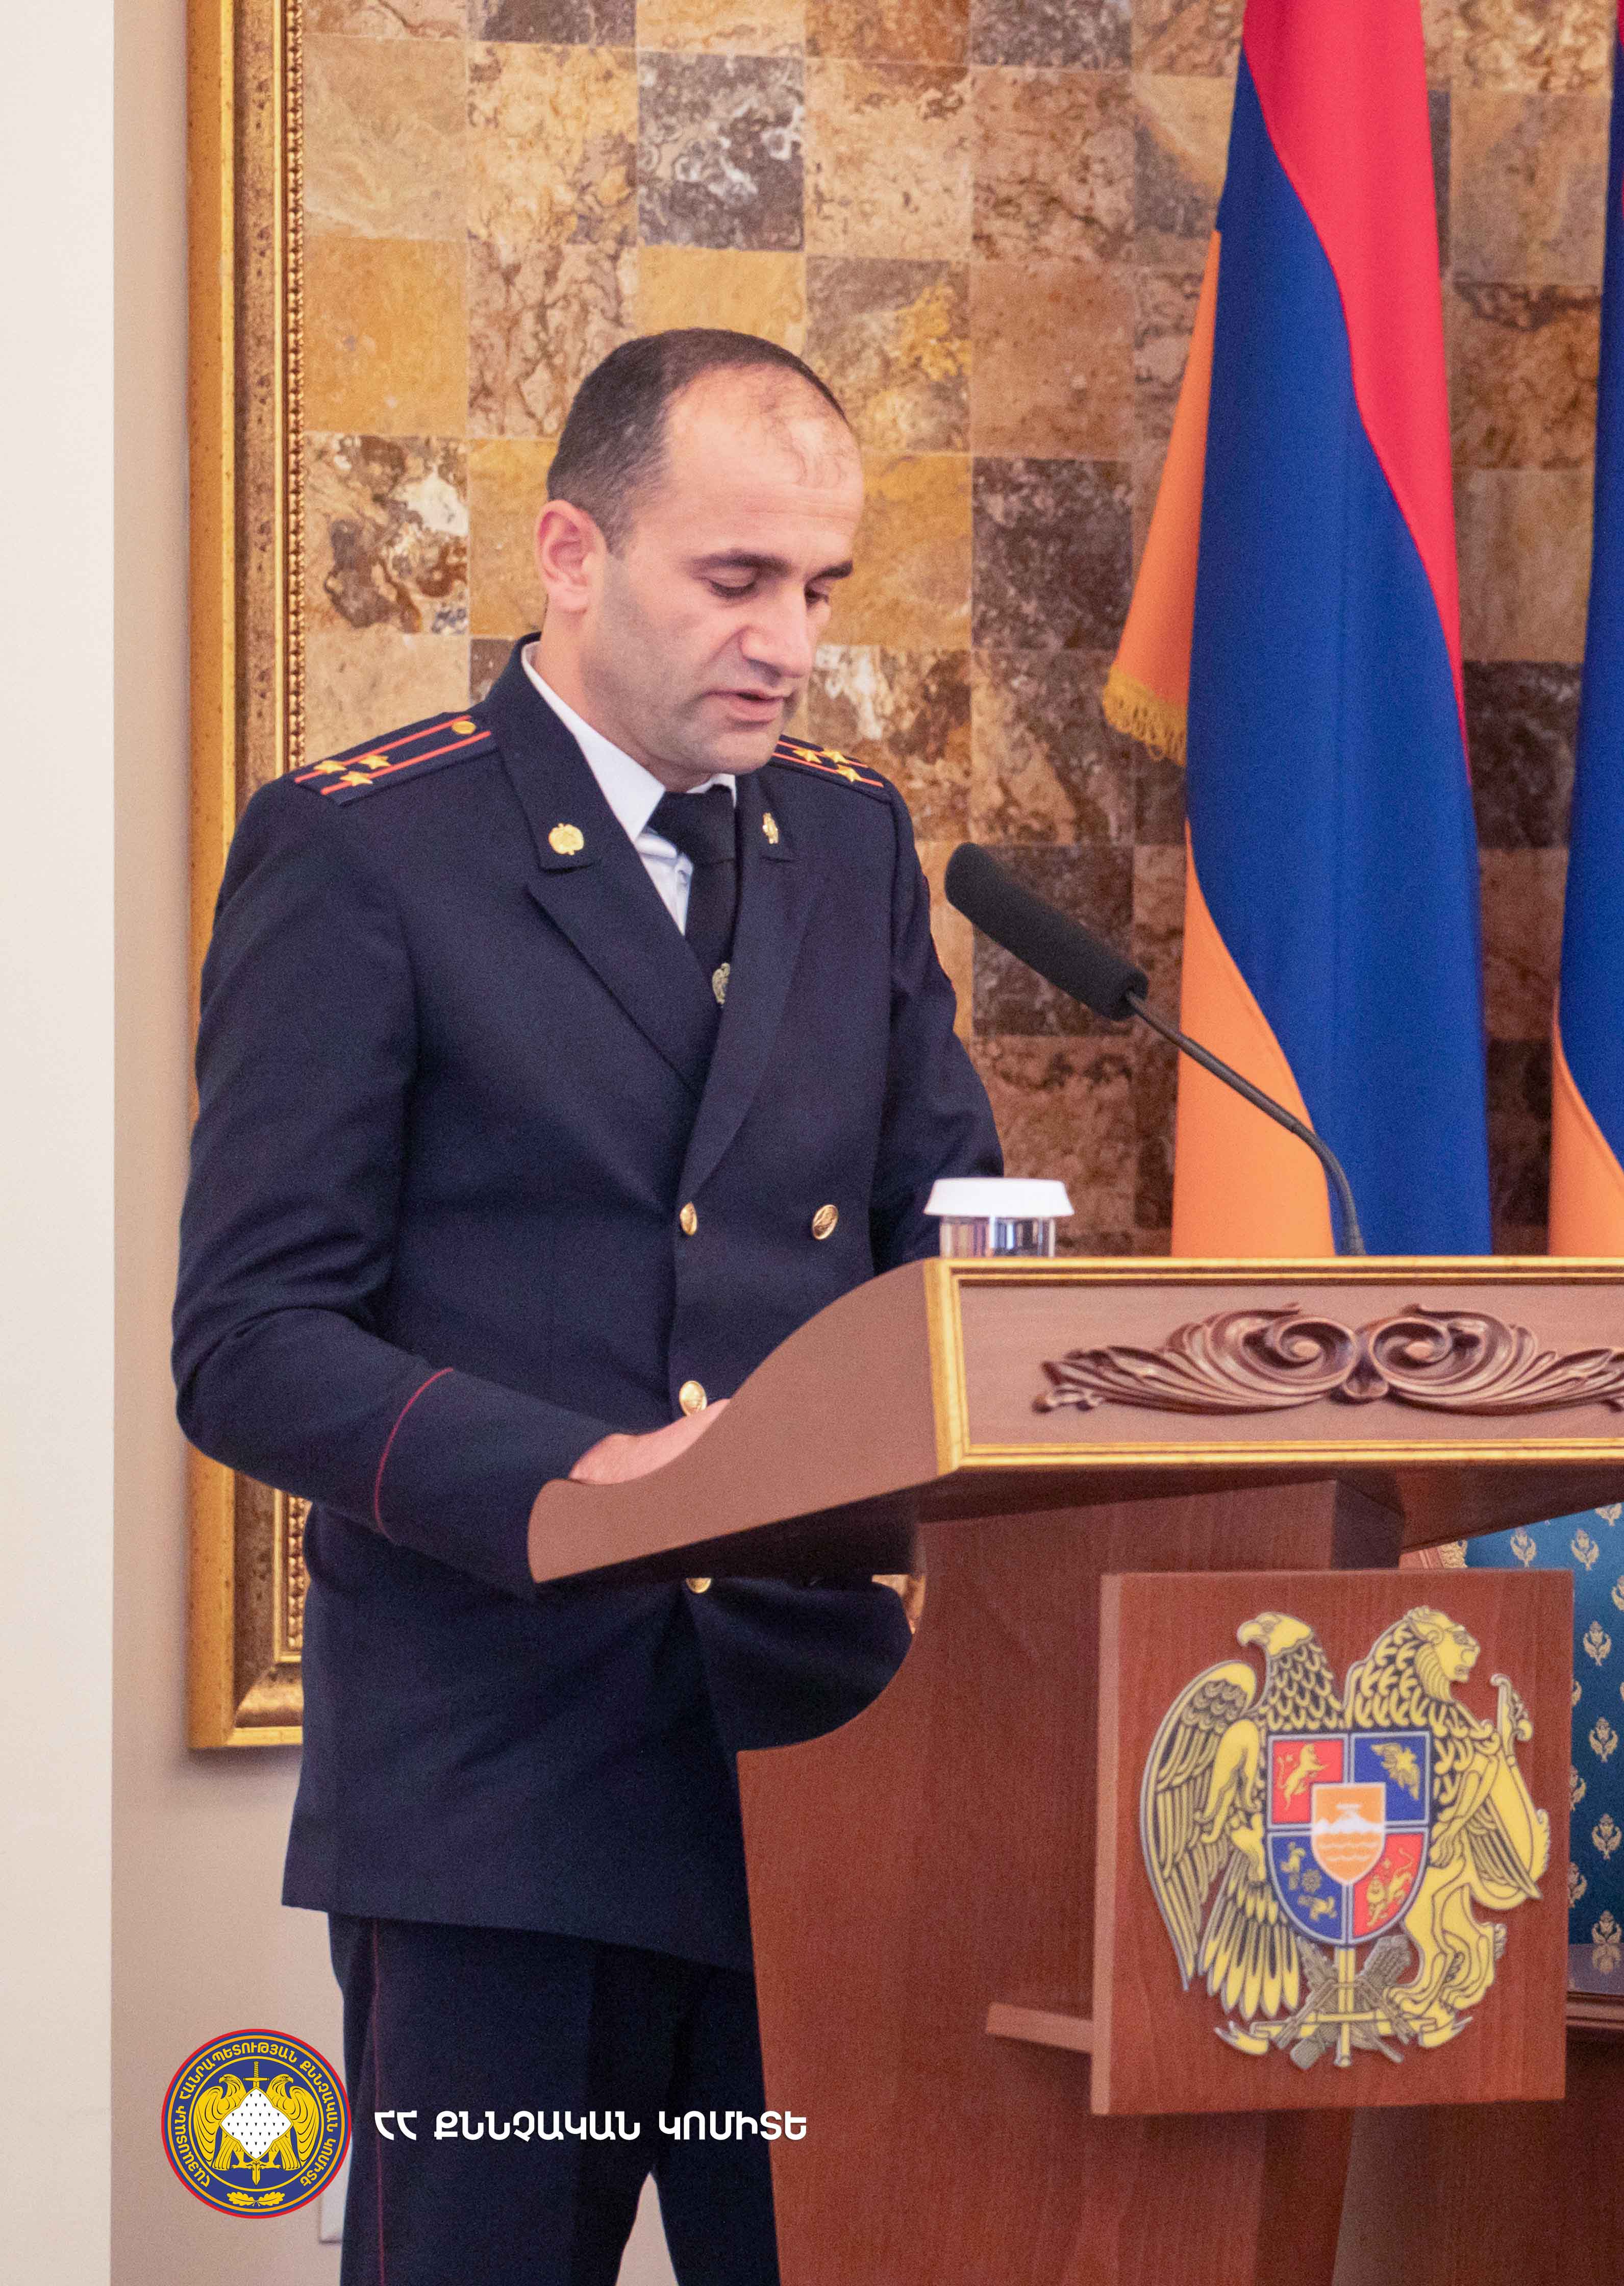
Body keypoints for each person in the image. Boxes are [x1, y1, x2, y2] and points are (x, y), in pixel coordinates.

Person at [173, 330, 1001, 2283]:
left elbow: (938, 1246)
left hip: (819, 1770)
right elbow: (250, 1340)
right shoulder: (367, 848)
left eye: (821, 590)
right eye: (738, 580)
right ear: (571, 552)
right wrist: (583, 1481)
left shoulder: (848, 846)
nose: (789, 643)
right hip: (502, 1787)